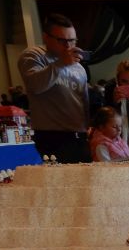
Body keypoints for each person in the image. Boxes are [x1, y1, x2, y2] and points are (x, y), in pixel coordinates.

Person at [18, 13, 91, 163]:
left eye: (72, 40)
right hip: (52, 138)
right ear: (46, 37)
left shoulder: (78, 67)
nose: (68, 46)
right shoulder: (33, 55)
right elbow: (35, 85)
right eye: (62, 40)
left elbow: (83, 102)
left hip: (79, 137)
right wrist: (61, 63)